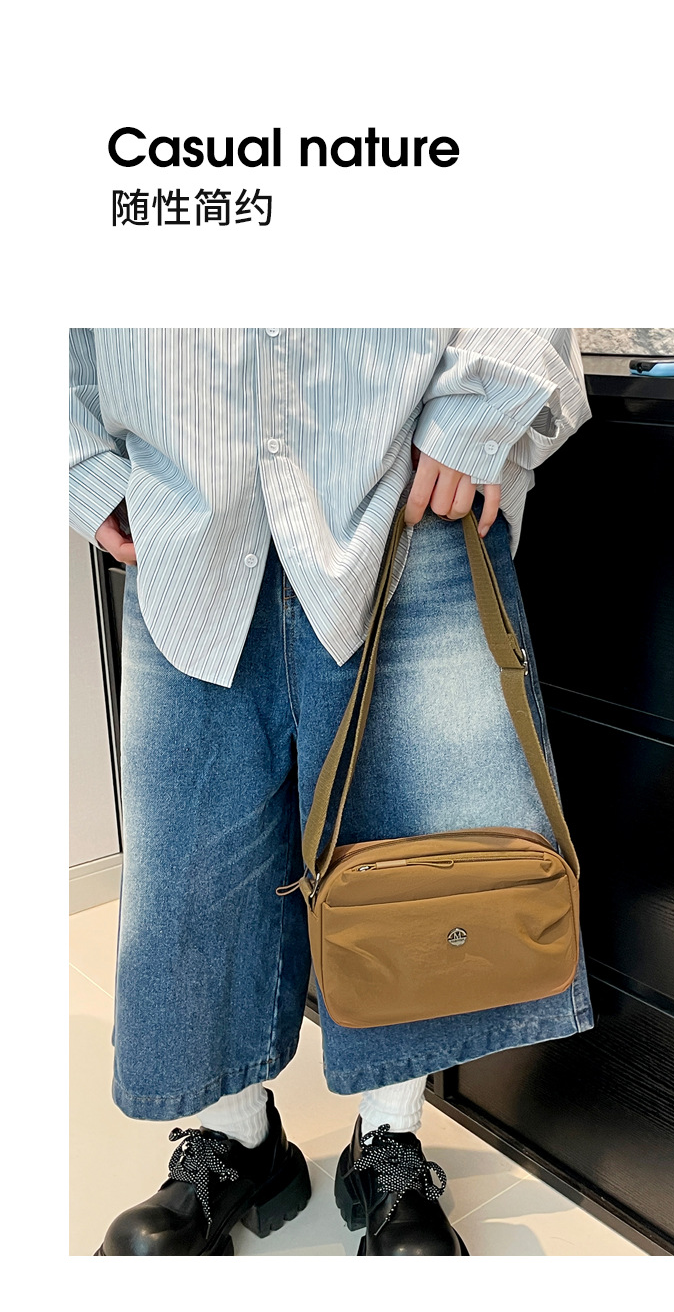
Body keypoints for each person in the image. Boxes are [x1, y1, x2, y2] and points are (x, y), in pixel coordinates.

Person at [69, 327, 593, 1257]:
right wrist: (78, 461)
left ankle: (389, 1138)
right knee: (192, 865)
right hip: (179, 499)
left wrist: (475, 416)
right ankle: (236, 1140)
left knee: (415, 856)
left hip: (399, 483)